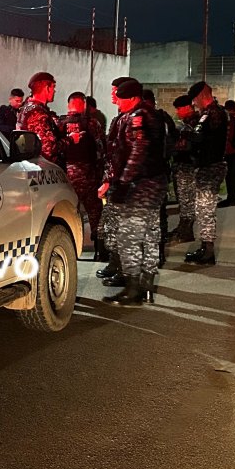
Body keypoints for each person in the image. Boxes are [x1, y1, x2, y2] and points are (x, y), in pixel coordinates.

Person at [99, 78, 168, 305]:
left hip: (140, 185)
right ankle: (147, 285)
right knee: (150, 235)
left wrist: (123, 181)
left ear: (132, 98)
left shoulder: (137, 116)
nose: (117, 103)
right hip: (155, 181)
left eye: (120, 99)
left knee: (128, 236)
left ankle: (133, 288)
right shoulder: (153, 114)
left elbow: (138, 150)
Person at [184, 81, 228, 265]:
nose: (194, 103)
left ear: (202, 95)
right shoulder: (209, 113)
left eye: (195, 99)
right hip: (206, 165)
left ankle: (208, 251)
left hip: (211, 166)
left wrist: (186, 134)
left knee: (206, 208)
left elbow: (200, 137)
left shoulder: (213, 113)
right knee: (202, 209)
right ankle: (204, 246)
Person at [60, 91, 106, 259]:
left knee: (70, 212)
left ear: (69, 104)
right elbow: (101, 148)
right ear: (84, 104)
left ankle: (70, 249)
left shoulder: (59, 123)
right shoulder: (92, 123)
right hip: (88, 174)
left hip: (66, 176)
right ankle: (100, 250)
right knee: (95, 212)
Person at [97, 77, 133, 281]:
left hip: (124, 182)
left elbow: (122, 155)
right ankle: (115, 262)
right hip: (115, 179)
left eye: (115, 90)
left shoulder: (132, 119)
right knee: (112, 225)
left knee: (123, 227)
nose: (113, 94)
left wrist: (110, 180)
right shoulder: (120, 117)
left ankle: (124, 269)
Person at [142, 89, 177, 267]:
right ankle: (158, 253)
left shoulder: (145, 119)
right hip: (161, 171)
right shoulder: (163, 118)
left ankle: (153, 253)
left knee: (151, 215)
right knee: (159, 215)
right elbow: (174, 140)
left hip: (150, 174)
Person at [168, 94, 200, 245]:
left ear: (187, 107)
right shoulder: (186, 122)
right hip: (181, 164)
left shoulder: (195, 123)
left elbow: (190, 145)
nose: (177, 112)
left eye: (179, 109)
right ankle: (182, 228)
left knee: (187, 200)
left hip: (188, 166)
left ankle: (186, 232)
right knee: (183, 199)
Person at [18, 71, 64, 166]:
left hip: (31, 165)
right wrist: (70, 140)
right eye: (53, 87)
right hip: (43, 168)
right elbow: (48, 149)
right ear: (47, 88)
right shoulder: (37, 113)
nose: (54, 91)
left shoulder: (26, 108)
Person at [219, 99, 235, 207]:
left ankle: (232, 197)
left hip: (230, 150)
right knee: (233, 174)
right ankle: (233, 197)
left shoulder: (227, 119)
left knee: (230, 174)